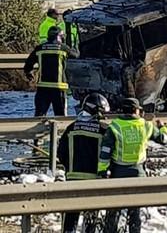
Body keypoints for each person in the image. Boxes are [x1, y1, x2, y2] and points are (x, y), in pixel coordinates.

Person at [98, 98, 167, 233]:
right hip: (138, 174)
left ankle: (110, 230)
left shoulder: (115, 126)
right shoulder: (146, 126)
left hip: (118, 174)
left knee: (113, 210)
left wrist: (102, 171)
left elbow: (105, 152)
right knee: (135, 211)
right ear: (137, 110)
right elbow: (164, 139)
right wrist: (162, 127)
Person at [57, 93, 110, 233]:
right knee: (91, 219)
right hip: (94, 180)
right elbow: (110, 154)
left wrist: (69, 168)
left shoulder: (71, 128)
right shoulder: (103, 130)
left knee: (71, 217)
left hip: (73, 179)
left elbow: (60, 153)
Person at [24, 26, 79, 117]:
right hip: (58, 87)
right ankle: (59, 131)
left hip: (43, 87)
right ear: (58, 36)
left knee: (39, 115)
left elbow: (28, 64)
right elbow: (76, 55)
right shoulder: (63, 48)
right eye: (62, 36)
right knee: (60, 116)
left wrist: (29, 73)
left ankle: (37, 131)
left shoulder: (40, 48)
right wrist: (75, 47)